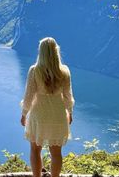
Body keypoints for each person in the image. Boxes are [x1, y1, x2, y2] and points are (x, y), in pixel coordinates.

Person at [20, 37, 75, 177]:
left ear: (41, 52)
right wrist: (70, 112)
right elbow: (68, 96)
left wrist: (24, 114)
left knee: (35, 149)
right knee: (56, 153)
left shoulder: (34, 71)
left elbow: (29, 96)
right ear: (56, 51)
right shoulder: (64, 71)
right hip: (58, 115)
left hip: (39, 115)